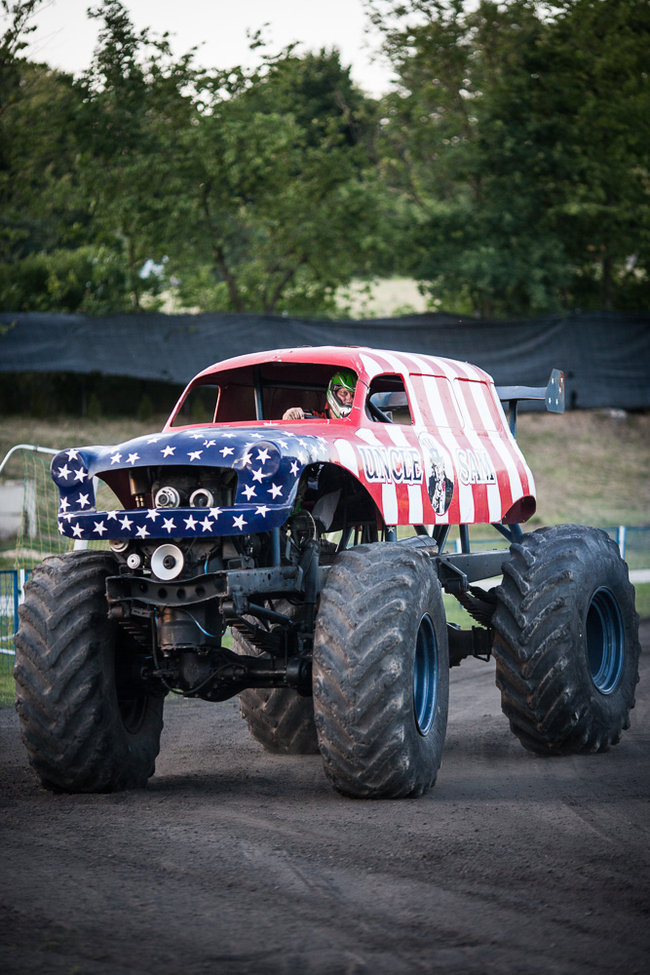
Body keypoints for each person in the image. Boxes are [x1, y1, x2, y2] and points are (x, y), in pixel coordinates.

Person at [283, 369, 357, 420]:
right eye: (344, 393)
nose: (349, 399)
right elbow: (293, 415)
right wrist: (292, 413)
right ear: (333, 393)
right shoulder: (314, 416)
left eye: (353, 395)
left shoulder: (360, 420)